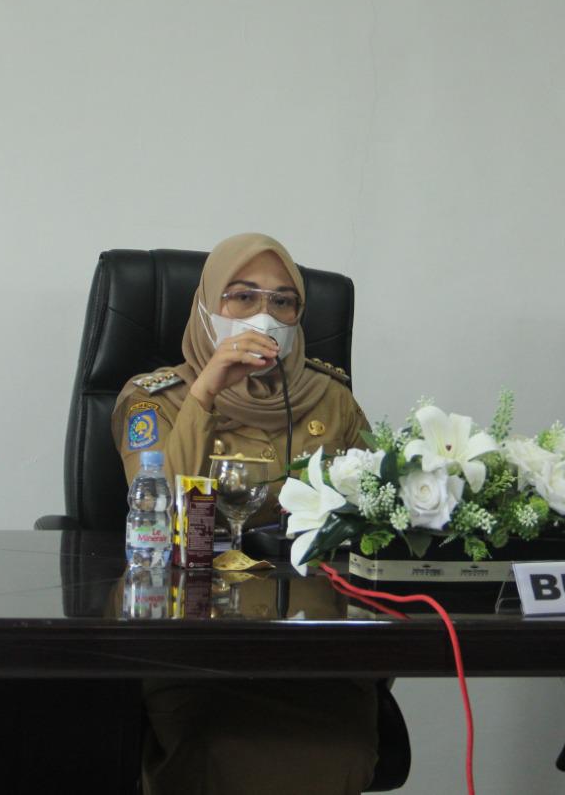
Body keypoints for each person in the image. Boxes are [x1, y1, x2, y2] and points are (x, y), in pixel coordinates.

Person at [110, 233, 379, 795]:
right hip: (194, 645)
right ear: (207, 307)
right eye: (242, 297)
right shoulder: (152, 398)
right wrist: (206, 391)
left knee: (342, 751)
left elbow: (377, 507)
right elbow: (157, 508)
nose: (265, 315)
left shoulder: (332, 398)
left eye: (284, 301)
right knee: (216, 751)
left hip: (310, 641)